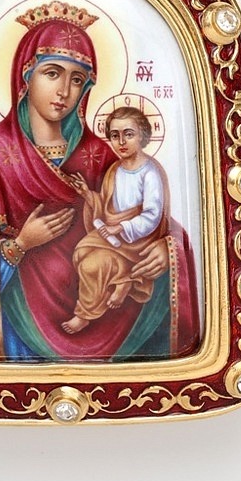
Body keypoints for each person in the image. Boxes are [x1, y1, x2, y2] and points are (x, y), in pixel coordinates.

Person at [0, 0, 200, 361]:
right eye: (52, 73)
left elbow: (148, 219)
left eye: (77, 80)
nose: (64, 91)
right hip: (18, 335)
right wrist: (20, 245)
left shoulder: (102, 156)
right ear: (25, 75)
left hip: (109, 321)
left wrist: (166, 249)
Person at [62, 107, 171, 334]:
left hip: (138, 242)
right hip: (114, 235)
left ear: (142, 135)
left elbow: (152, 216)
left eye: (128, 134)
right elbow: (106, 207)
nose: (121, 141)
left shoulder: (150, 173)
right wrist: (87, 195)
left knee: (91, 266)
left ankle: (84, 314)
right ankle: (123, 278)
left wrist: (120, 227)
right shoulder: (115, 170)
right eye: (114, 135)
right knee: (80, 253)